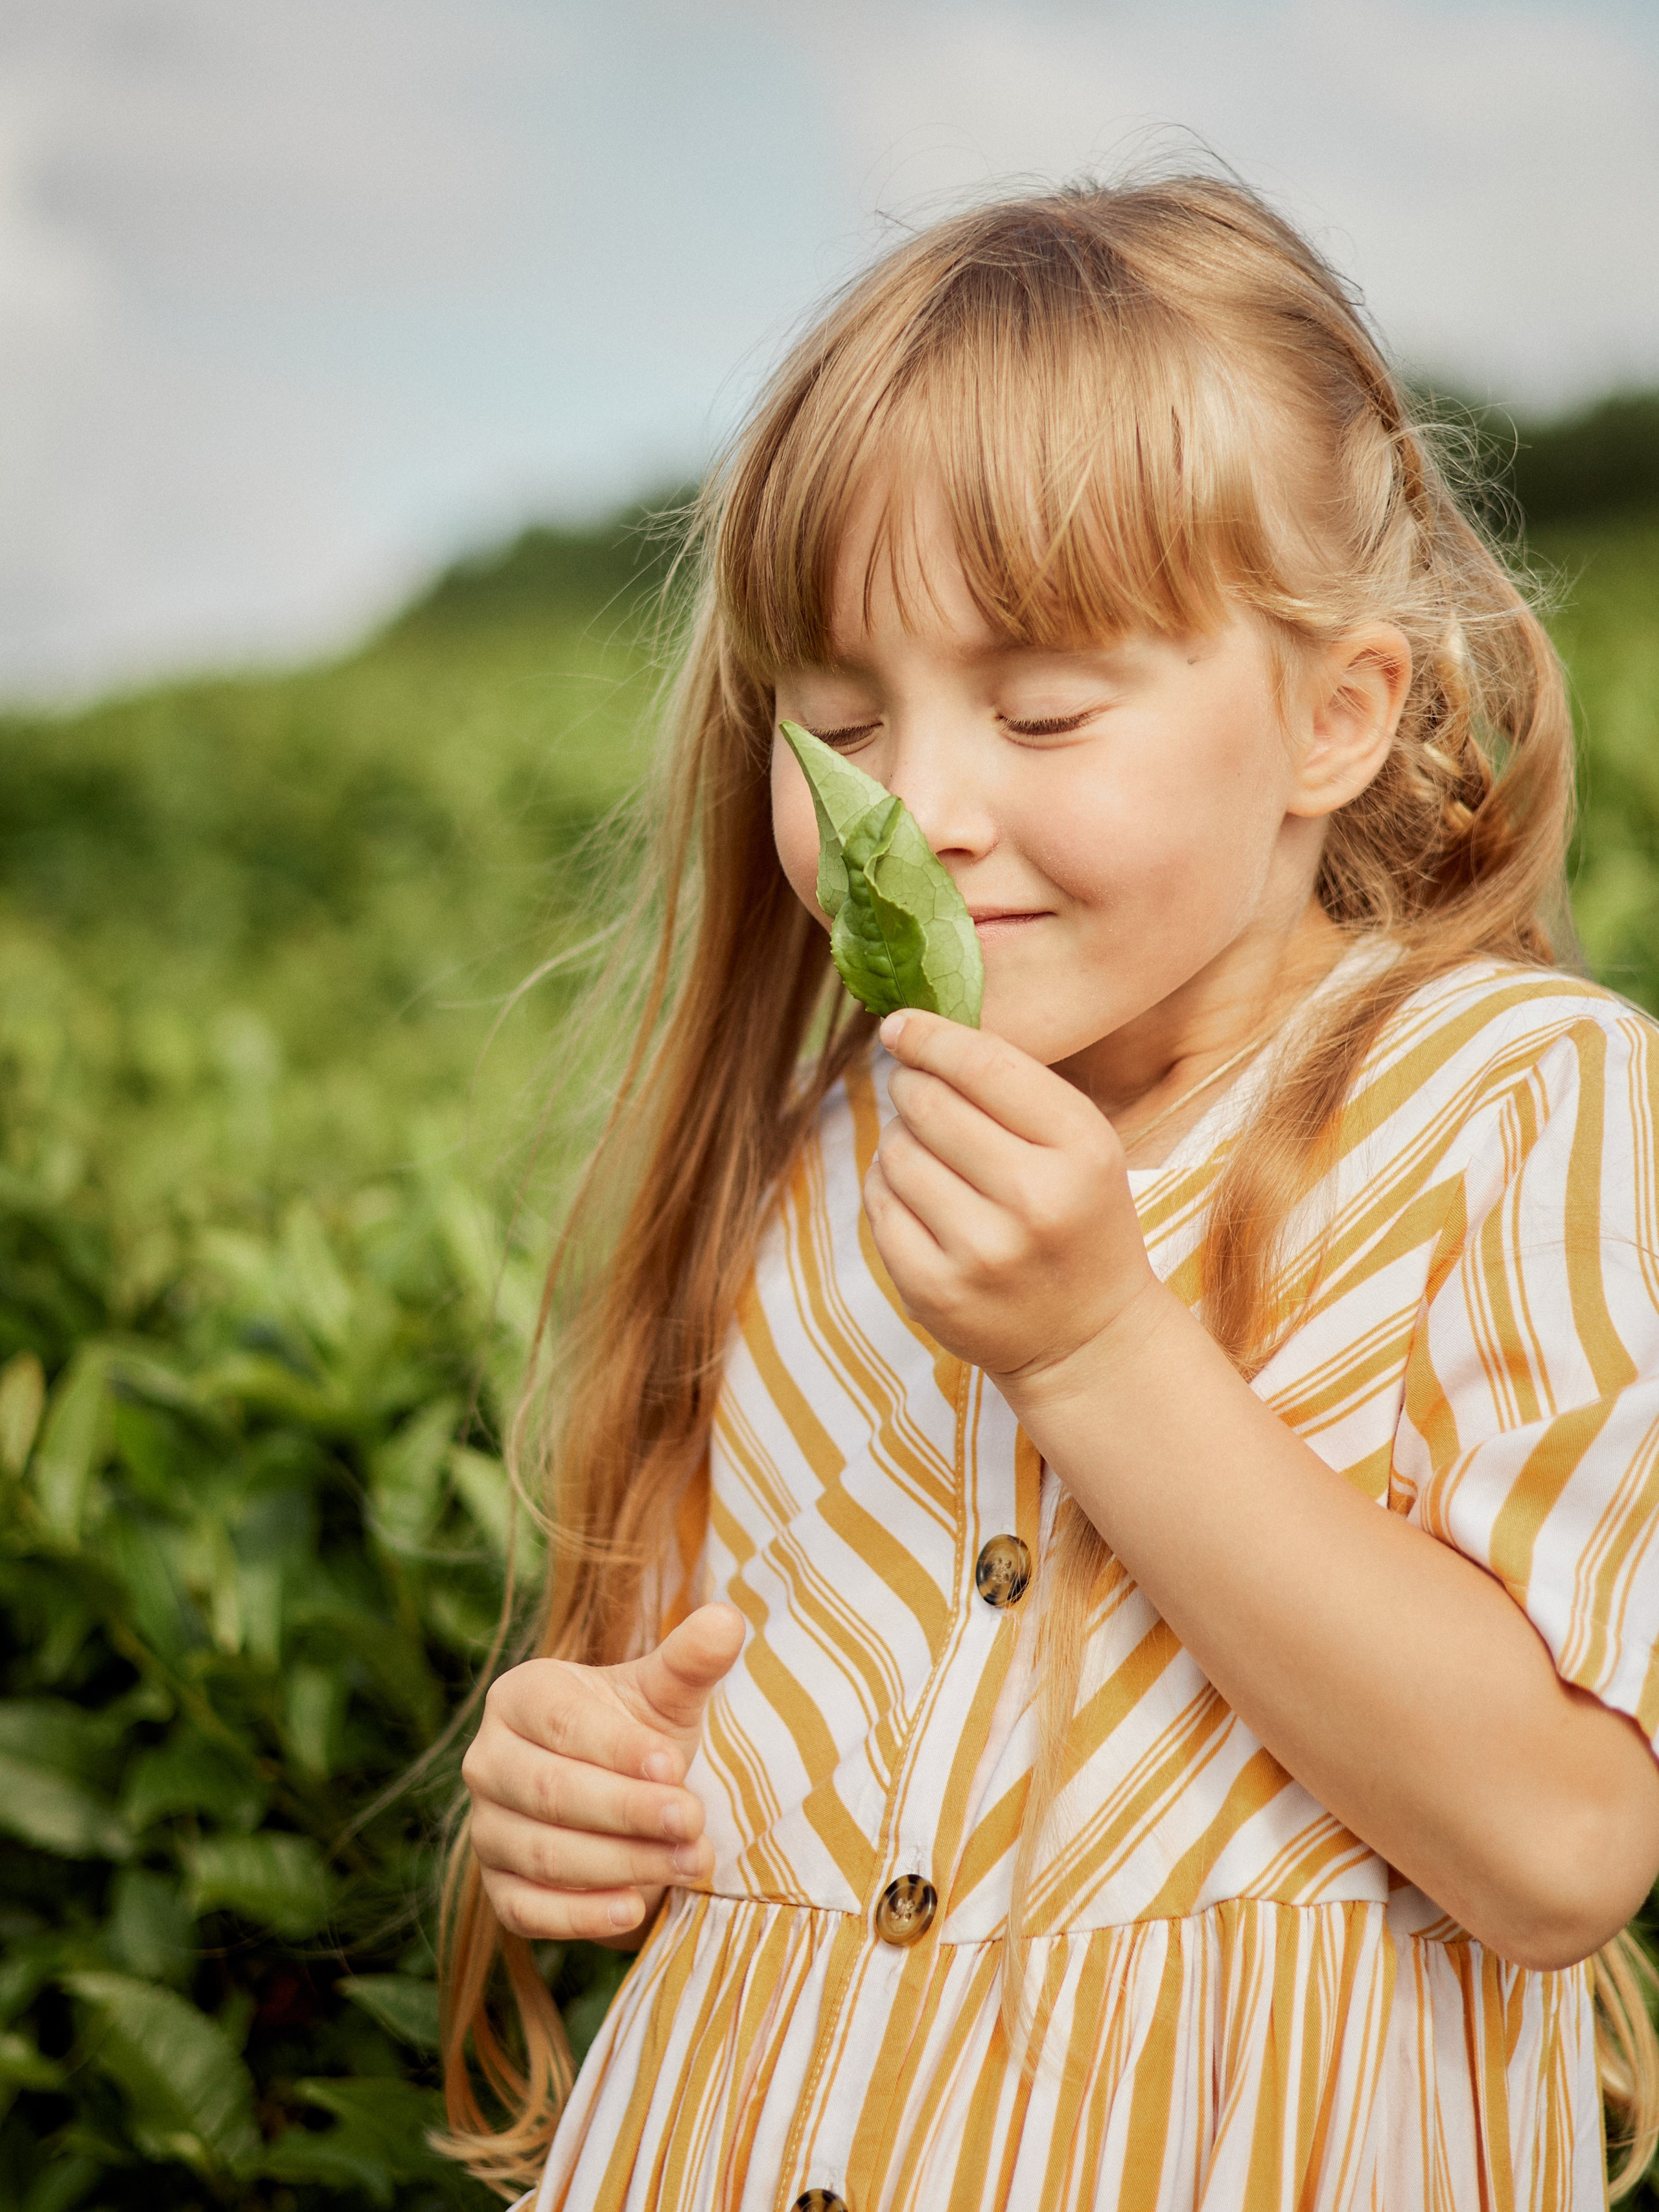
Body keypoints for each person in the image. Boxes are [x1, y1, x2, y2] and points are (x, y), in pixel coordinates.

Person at [439, 175, 1659, 2210]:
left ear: (1334, 717)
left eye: (1041, 710)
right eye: (837, 724)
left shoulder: (1518, 1106)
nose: (918, 810)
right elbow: (754, 1753)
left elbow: (1557, 1850)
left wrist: (1099, 1344)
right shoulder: (810, 1165)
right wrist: (579, 1789)